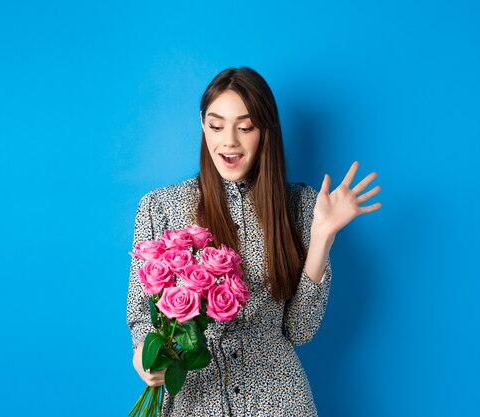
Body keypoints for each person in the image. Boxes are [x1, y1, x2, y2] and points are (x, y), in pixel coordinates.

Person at [127, 67, 382, 416]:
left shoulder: (301, 205)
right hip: (195, 401)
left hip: (278, 400)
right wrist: (145, 354)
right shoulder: (160, 208)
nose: (229, 140)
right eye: (216, 126)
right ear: (203, 126)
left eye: (245, 127)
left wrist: (322, 237)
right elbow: (142, 316)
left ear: (265, 132)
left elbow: (300, 330)